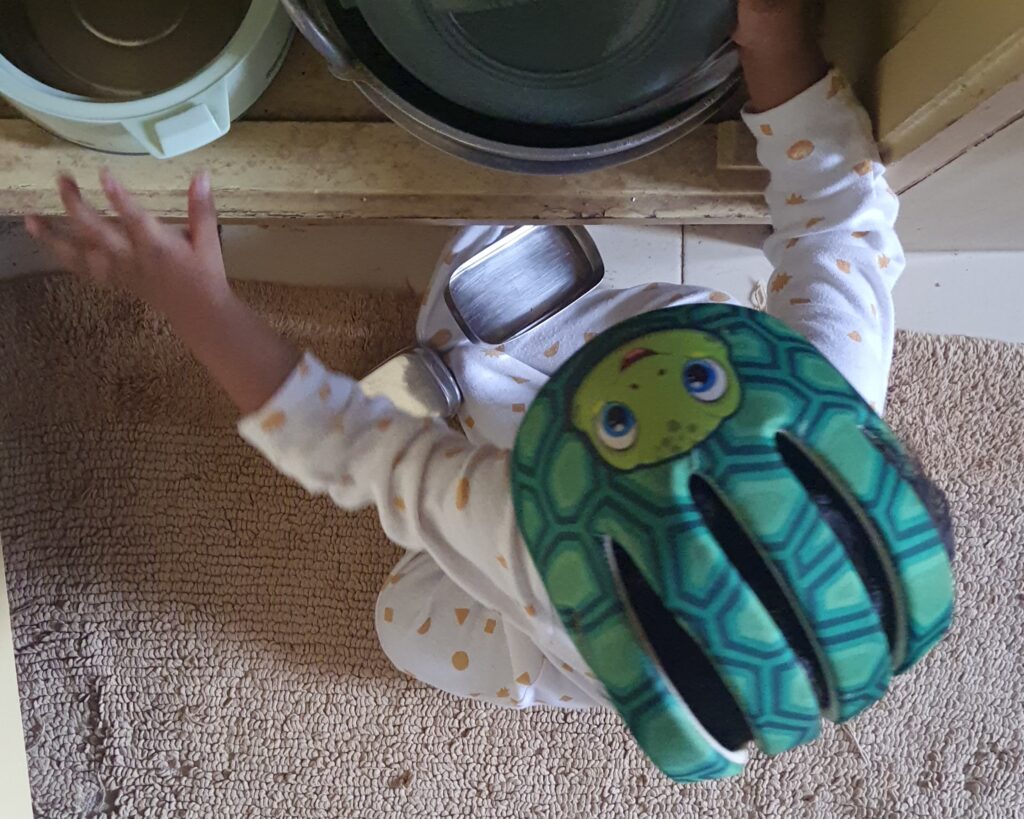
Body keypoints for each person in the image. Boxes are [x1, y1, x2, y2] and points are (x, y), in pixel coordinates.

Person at [24, 0, 954, 782]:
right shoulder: (831, 370)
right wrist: (778, 47)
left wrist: (202, 306)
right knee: (484, 263)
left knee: (408, 626)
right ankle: (523, 377)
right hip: (573, 402)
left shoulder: (531, 548)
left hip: (541, 580)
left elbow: (350, 446)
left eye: (624, 429)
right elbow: (838, 208)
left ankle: (544, 663)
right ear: (841, 428)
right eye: (707, 386)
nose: (644, 389)